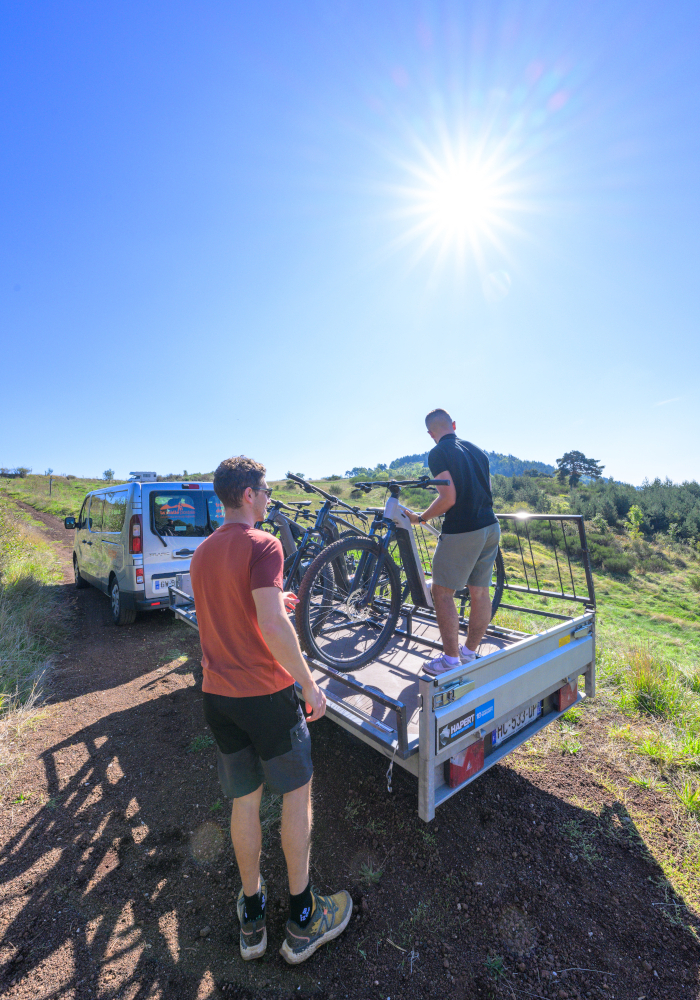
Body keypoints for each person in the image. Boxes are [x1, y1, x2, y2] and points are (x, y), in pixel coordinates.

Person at [190, 456, 351, 965]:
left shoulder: (202, 553)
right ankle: (304, 920)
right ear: (245, 494)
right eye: (263, 490)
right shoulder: (264, 543)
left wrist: (274, 600)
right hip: (266, 695)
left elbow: (231, 607)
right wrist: (309, 684)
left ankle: (253, 914)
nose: (268, 497)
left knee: (245, 801)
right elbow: (270, 624)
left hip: (219, 696)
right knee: (296, 798)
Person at [404, 409, 500, 675]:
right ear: (454, 425)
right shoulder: (477, 450)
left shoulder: (438, 453)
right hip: (490, 526)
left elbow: (448, 498)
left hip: (463, 529)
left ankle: (449, 660)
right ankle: (468, 654)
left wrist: (421, 518)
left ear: (430, 433)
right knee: (480, 592)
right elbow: (487, 490)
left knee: (442, 592)